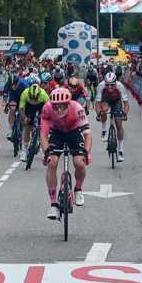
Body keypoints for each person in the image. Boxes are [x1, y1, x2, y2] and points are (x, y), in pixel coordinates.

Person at [40, 87, 91, 221]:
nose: (59, 110)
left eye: (62, 106)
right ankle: (53, 204)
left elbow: (87, 134)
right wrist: (46, 153)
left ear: (68, 104)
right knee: (52, 162)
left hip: (74, 132)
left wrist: (86, 152)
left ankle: (78, 189)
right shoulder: (47, 109)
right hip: (57, 133)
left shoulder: (77, 108)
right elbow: (43, 134)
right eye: (56, 107)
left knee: (79, 162)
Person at [99, 69, 131, 161]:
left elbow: (126, 103)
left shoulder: (120, 86)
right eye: (107, 84)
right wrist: (99, 113)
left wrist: (124, 113)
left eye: (112, 84)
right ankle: (104, 130)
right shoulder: (101, 86)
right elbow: (97, 103)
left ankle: (120, 150)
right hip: (106, 99)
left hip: (117, 101)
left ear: (115, 83)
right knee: (104, 110)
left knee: (118, 124)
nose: (109, 86)